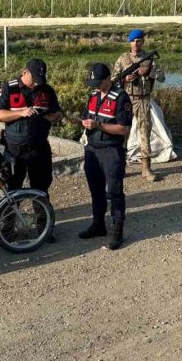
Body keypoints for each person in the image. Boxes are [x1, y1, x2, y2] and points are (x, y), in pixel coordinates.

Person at [77, 63, 133, 250]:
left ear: (108, 79)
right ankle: (98, 224)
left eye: (98, 82)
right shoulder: (93, 96)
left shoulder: (121, 97)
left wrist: (99, 126)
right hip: (92, 149)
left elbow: (124, 128)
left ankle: (117, 230)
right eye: (93, 82)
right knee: (96, 190)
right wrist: (83, 123)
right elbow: (88, 118)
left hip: (111, 151)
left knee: (114, 192)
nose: (95, 86)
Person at [0, 58, 63, 204]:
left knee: (41, 189)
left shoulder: (46, 89)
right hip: (15, 150)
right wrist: (21, 113)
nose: (38, 83)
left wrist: (55, 117)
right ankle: (8, 225)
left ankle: (44, 224)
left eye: (40, 79)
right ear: (25, 72)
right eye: (35, 79)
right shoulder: (9, 88)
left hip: (39, 149)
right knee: (13, 188)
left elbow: (59, 113)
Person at [112, 28, 163, 182]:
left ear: (143, 42)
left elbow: (162, 77)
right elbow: (113, 80)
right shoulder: (123, 59)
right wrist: (125, 79)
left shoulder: (150, 59)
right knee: (122, 133)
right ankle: (120, 167)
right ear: (129, 42)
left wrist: (148, 72)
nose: (136, 44)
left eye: (139, 41)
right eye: (133, 41)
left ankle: (146, 169)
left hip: (143, 99)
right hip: (126, 99)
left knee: (144, 133)